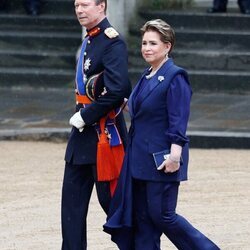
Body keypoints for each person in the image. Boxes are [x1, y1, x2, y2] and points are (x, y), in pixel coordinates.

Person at [104, 19, 220, 250]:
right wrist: (114, 98)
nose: (146, 48)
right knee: (144, 219)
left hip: (163, 159)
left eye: (153, 43)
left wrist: (175, 156)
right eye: (144, 43)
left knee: (163, 215)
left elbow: (179, 119)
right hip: (138, 160)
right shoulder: (148, 74)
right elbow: (141, 109)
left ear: (167, 46)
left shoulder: (175, 76)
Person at [61, 0, 131, 249]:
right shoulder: (90, 39)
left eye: (85, 5)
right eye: (76, 5)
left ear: (102, 6)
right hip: (81, 137)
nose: (79, 10)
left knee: (115, 208)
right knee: (71, 210)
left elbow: (119, 90)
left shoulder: (112, 42)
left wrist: (86, 115)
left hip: (104, 136)